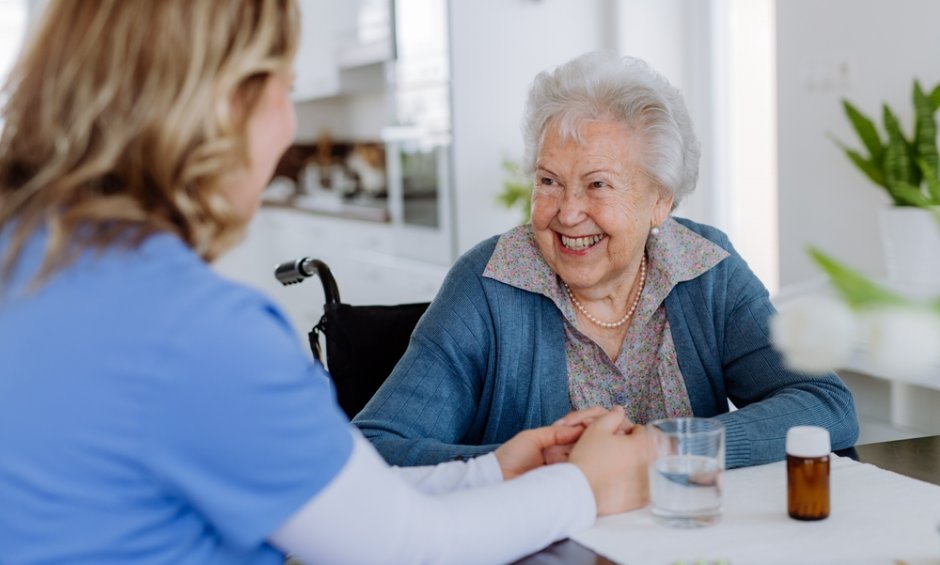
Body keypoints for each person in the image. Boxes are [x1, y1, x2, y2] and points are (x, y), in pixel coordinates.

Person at [0, 4, 652, 563]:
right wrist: (584, 488)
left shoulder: (30, 259)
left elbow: (327, 498)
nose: (289, 126)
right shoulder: (193, 332)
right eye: (283, 90)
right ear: (225, 103)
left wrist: (493, 471)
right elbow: (399, 546)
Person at [354, 51, 860, 469]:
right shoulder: (487, 283)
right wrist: (550, 464)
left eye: (597, 185)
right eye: (549, 181)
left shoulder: (706, 269)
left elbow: (824, 404)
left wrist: (663, 448)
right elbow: (374, 449)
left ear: (660, 200)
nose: (568, 213)